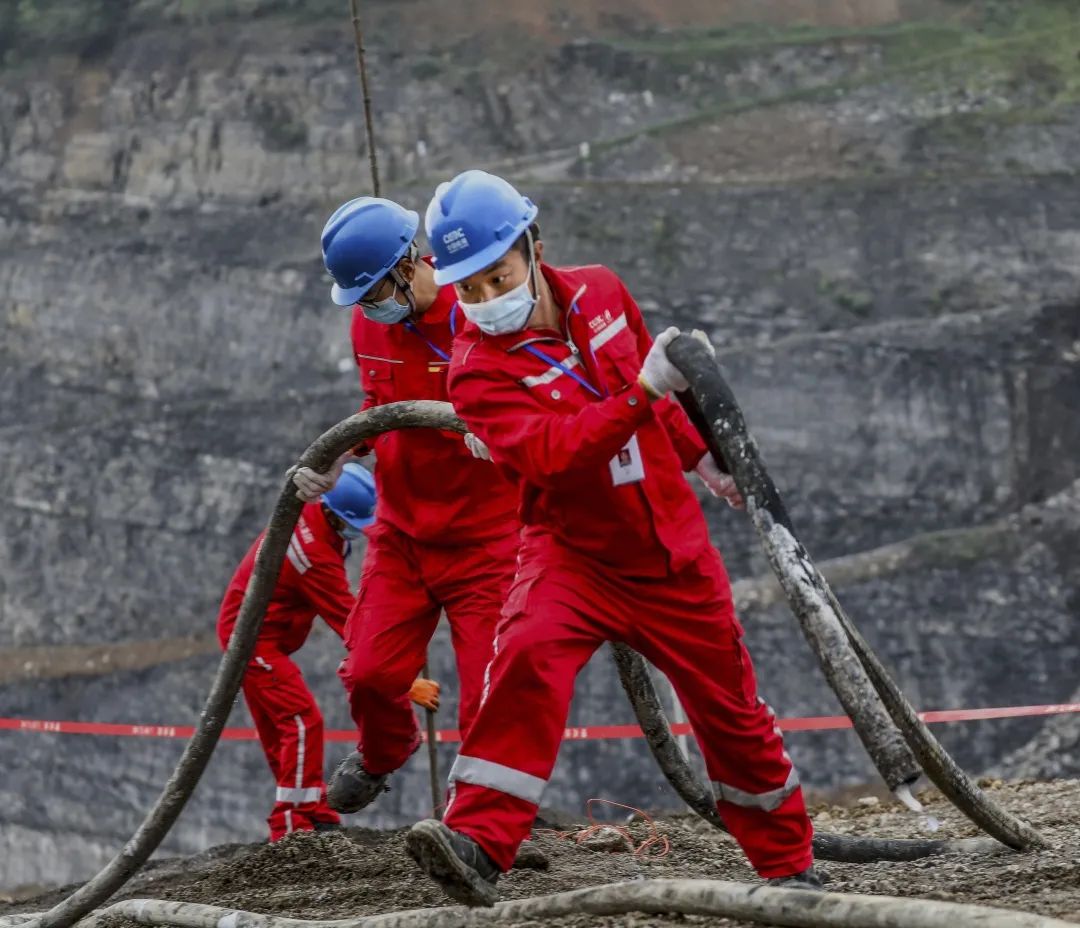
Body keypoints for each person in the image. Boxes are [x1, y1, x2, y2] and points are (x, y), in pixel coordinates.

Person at [404, 170, 819, 905]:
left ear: (533, 247)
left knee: (731, 708)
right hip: (574, 555)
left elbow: (650, 398)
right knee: (526, 658)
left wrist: (700, 459)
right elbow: (554, 455)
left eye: (497, 277)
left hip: (672, 550)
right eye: (467, 289)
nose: (484, 301)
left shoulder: (600, 291)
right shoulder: (473, 372)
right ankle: (476, 842)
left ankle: (787, 860)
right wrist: (646, 392)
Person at [292, 197, 520, 815]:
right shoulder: (370, 323)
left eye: (375, 291)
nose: (371, 308)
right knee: (368, 674)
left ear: (410, 263)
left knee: (488, 693)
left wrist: (500, 428)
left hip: (487, 541)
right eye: (360, 298)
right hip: (403, 535)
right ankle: (383, 752)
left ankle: (481, 822)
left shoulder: (478, 313)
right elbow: (376, 405)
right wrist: (339, 457)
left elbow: (528, 399)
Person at [217, 463, 438, 840]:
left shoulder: (317, 519)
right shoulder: (312, 553)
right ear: (335, 514)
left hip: (265, 636)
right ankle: (293, 823)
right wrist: (405, 682)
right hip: (252, 641)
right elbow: (347, 621)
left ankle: (310, 810)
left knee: (281, 730)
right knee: (302, 722)